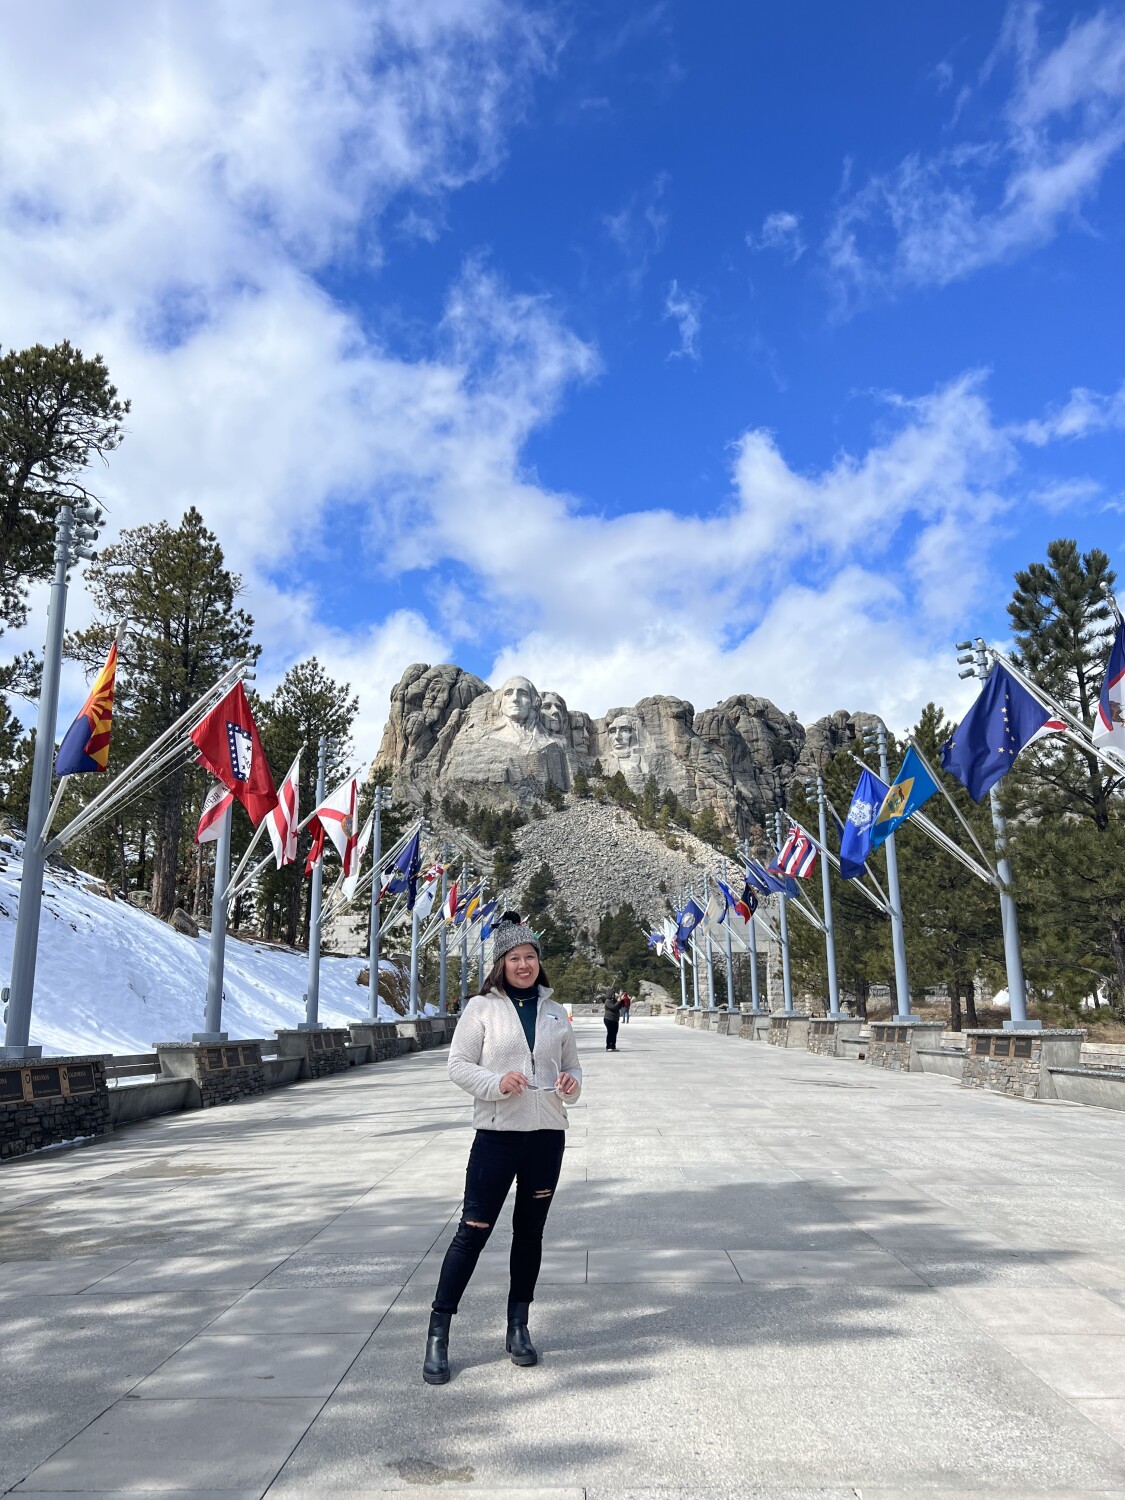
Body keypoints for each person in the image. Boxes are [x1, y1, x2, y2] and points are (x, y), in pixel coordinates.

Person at [423, 912, 582, 1386]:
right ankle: (438, 1332)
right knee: (472, 1232)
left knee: (529, 1234)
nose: (524, 965)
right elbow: (457, 1065)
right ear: (501, 964)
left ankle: (518, 1326)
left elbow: (572, 1070)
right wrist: (496, 1082)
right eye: (515, 958)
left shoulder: (555, 1013)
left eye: (531, 957)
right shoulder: (482, 1008)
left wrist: (570, 1086)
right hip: (496, 1137)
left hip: (547, 1138)